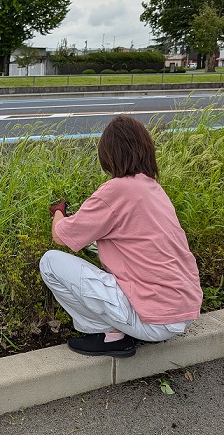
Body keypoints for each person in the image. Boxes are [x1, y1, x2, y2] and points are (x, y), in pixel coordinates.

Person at [40, 115, 202, 358]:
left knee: (50, 262)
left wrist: (59, 212)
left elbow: (61, 236)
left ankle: (108, 335)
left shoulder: (117, 189)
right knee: (98, 247)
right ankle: (124, 327)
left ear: (108, 154)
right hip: (184, 311)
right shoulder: (153, 188)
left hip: (154, 319)